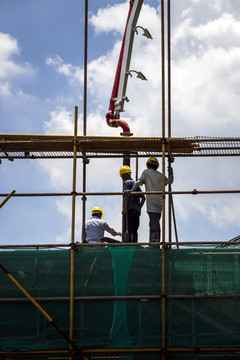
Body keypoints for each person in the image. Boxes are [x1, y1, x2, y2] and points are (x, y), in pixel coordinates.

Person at [127, 157, 173, 244]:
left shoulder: (146, 172)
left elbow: (138, 182)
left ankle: (154, 243)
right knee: (155, 221)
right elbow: (170, 181)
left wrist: (131, 191)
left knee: (154, 224)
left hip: (151, 202)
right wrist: (171, 172)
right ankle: (155, 242)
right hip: (160, 203)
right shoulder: (160, 175)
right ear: (157, 166)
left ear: (148, 165)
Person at [119, 165, 145, 243]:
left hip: (129, 209)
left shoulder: (126, 182)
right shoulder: (135, 183)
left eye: (121, 175)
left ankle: (128, 245)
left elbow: (127, 196)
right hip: (136, 210)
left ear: (124, 174)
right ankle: (135, 245)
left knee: (127, 229)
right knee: (135, 230)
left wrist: (124, 209)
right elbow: (144, 197)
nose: (121, 177)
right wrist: (139, 207)